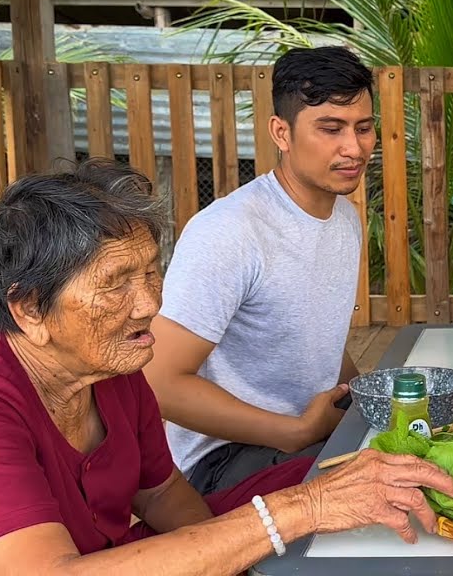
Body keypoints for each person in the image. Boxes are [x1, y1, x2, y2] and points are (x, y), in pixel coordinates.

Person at [0, 160, 453, 576]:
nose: (151, 304)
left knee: (334, 474)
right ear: (29, 307)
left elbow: (163, 500)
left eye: (152, 272)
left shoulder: (113, 371)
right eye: (116, 283)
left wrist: (299, 509)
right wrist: (299, 511)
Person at [143, 46, 376, 495]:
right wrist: (293, 431)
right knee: (383, 486)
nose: (354, 148)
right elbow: (159, 383)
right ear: (281, 132)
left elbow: (316, 343)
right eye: (331, 129)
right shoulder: (229, 232)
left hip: (305, 438)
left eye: (363, 128)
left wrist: (367, 396)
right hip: (218, 461)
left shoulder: (344, 218)